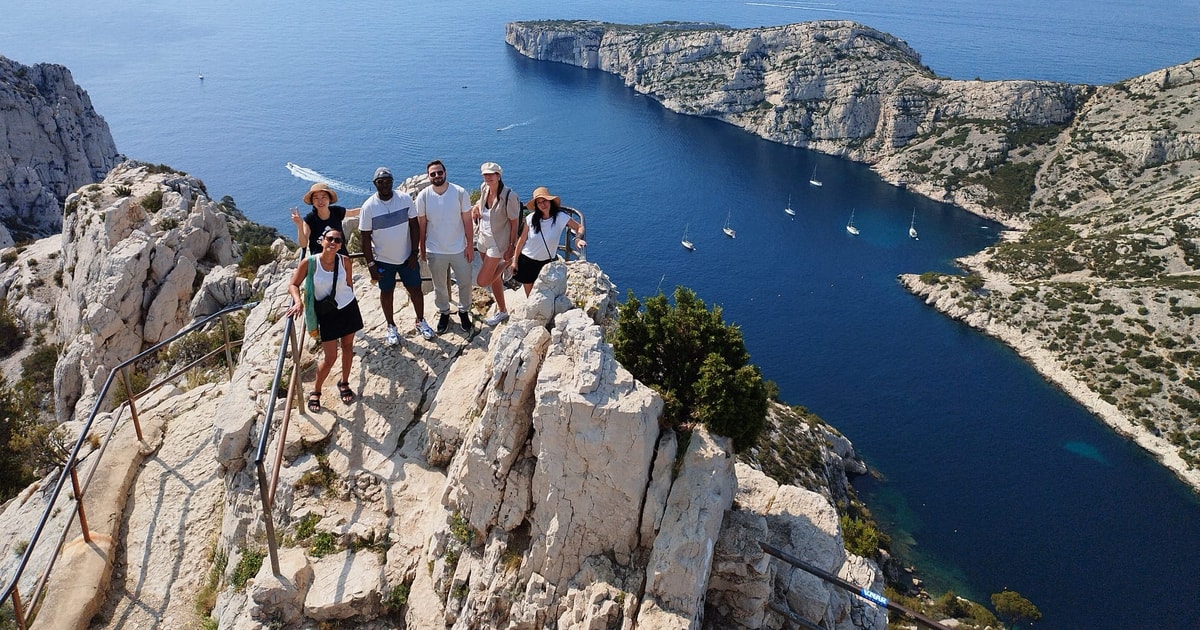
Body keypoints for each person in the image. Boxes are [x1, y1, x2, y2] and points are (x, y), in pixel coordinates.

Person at [284, 227, 364, 411]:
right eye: (330, 239)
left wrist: (348, 299)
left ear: (341, 245)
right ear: (322, 241)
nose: (333, 243)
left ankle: (344, 382)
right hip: (327, 314)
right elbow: (293, 284)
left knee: (347, 348)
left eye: (337, 240)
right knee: (330, 358)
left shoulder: (345, 261)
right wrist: (298, 302)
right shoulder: (310, 262)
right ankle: (316, 390)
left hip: (348, 308)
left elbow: (349, 284)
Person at [360, 167, 434, 343]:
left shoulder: (404, 199)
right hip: (383, 261)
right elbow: (364, 238)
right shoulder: (368, 207)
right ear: (375, 184)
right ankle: (391, 326)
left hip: (407, 257)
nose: (385, 185)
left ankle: (421, 321)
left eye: (388, 181)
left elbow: (414, 226)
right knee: (387, 292)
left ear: (392, 182)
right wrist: (371, 265)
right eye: (381, 182)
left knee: (416, 289)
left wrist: (414, 253)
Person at [415, 160, 474, 335]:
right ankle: (444, 313)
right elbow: (422, 224)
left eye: (439, 172)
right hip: (435, 249)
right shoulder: (423, 196)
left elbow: (467, 220)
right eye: (433, 174)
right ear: (428, 176)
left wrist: (470, 244)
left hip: (459, 248)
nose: (436, 176)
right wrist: (422, 247)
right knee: (439, 285)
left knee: (465, 282)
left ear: (445, 172)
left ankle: (464, 312)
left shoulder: (459, 193)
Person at [471, 162, 521, 326]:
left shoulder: (509, 196)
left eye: (491, 174)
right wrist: (476, 208)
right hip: (483, 240)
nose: (488, 177)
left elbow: (514, 223)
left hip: (497, 244)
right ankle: (502, 310)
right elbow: (481, 203)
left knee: (482, 281)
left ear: (499, 176)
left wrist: (512, 246)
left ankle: (507, 263)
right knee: (495, 279)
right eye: (485, 174)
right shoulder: (484, 188)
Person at [512, 186, 586, 296]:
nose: (542, 204)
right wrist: (515, 261)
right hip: (527, 260)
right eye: (539, 202)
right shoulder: (531, 219)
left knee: (547, 295)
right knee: (531, 297)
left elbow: (579, 227)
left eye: (545, 200)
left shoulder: (561, 217)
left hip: (547, 262)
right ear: (536, 205)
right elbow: (522, 240)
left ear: (550, 201)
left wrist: (578, 239)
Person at [290, 182, 360, 255]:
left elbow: (352, 213)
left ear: (329, 199)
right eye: (316, 198)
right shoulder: (309, 219)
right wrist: (299, 225)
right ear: (312, 202)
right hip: (319, 261)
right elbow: (303, 244)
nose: (320, 201)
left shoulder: (336, 211)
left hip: (340, 258)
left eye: (324, 197)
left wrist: (368, 208)